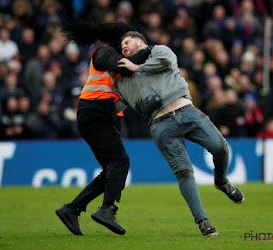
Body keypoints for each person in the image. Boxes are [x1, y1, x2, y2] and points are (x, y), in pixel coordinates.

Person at [115, 31, 245, 236]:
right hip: (160, 125)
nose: (123, 46)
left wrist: (137, 66)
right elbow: (117, 105)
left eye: (127, 42)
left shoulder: (159, 51)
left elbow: (166, 63)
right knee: (184, 172)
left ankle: (221, 181)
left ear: (140, 41)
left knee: (220, 148)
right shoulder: (122, 79)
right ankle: (202, 221)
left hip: (187, 111)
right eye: (121, 45)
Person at [55, 7, 152, 236]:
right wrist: (152, 51)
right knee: (120, 163)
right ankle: (107, 209)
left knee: (111, 169)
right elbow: (123, 69)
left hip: (102, 115)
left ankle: (72, 209)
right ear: (118, 42)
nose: (127, 45)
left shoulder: (120, 58)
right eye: (125, 41)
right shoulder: (103, 53)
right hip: (94, 112)